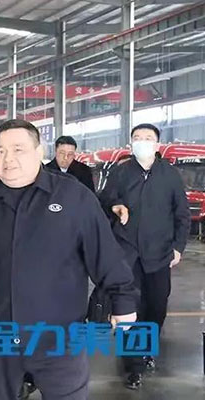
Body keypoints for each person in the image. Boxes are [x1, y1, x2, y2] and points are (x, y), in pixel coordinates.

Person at [0, 119, 138, 400]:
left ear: (39, 152)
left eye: (18, 149)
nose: (8, 158)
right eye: (0, 151)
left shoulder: (73, 198)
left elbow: (105, 253)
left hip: (59, 336)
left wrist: (123, 301)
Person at [100, 123, 190, 390]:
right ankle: (133, 365)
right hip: (127, 253)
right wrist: (116, 205)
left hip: (159, 254)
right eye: (137, 138)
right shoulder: (120, 172)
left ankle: (147, 349)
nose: (142, 141)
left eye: (147, 138)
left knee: (156, 307)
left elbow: (182, 214)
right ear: (131, 143)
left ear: (157, 143)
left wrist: (178, 247)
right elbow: (105, 198)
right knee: (130, 309)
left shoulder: (170, 175)